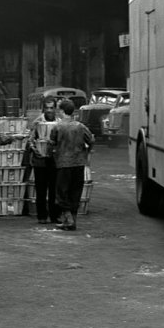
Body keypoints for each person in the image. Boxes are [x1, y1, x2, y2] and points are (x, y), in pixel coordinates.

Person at [49, 99, 94, 231]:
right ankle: (72, 220)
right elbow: (91, 139)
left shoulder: (57, 127)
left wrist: (51, 155)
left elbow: (51, 144)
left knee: (62, 193)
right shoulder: (80, 127)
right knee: (75, 192)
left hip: (63, 164)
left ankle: (68, 220)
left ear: (62, 111)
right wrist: (87, 152)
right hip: (79, 163)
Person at [27, 102, 59, 225]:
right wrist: (35, 149)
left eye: (52, 108)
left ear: (55, 109)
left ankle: (54, 216)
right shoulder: (37, 122)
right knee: (41, 189)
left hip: (54, 160)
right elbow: (30, 140)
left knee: (54, 190)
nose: (49, 110)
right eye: (47, 108)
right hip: (40, 161)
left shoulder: (59, 122)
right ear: (43, 109)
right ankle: (42, 216)